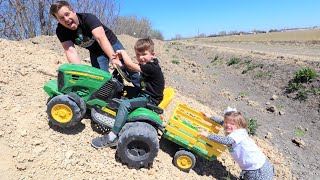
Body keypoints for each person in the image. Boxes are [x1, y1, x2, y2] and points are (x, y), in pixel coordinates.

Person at [91, 37, 165, 148]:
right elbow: (130, 67)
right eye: (138, 55)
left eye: (144, 54)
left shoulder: (152, 68)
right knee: (122, 89)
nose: (140, 58)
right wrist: (120, 63)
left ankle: (112, 136)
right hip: (145, 92)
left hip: (150, 98)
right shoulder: (148, 65)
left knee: (125, 105)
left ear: (152, 54)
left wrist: (122, 52)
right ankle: (110, 113)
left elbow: (131, 65)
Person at [49, 1, 140, 90]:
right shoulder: (61, 31)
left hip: (110, 43)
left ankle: (146, 92)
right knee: (100, 78)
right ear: (58, 20)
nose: (66, 19)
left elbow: (101, 38)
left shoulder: (88, 18)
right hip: (95, 51)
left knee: (129, 68)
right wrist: (79, 71)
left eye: (67, 14)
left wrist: (114, 59)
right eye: (61, 18)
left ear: (73, 11)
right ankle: (116, 93)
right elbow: (70, 51)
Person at [200, 107, 274, 180]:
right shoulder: (232, 128)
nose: (228, 125)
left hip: (257, 169)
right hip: (255, 165)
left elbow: (226, 141)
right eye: (226, 122)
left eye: (232, 123)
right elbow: (222, 122)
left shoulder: (238, 134)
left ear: (239, 125)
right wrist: (210, 117)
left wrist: (208, 135)